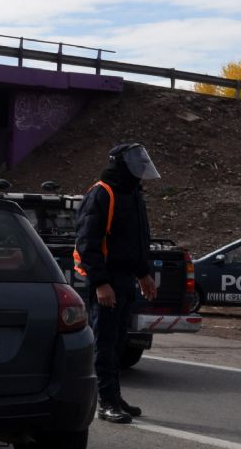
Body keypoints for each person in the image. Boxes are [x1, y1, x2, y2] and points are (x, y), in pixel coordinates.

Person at [73, 143, 160, 424]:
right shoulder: (103, 193)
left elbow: (135, 242)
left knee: (119, 343)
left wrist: (143, 273)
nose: (140, 165)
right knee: (105, 343)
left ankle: (116, 396)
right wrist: (100, 283)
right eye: (134, 159)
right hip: (107, 283)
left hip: (125, 281)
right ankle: (105, 402)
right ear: (120, 162)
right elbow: (88, 243)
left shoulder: (133, 194)